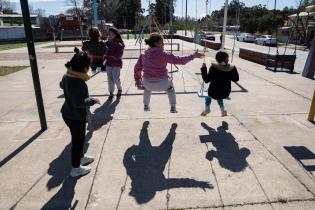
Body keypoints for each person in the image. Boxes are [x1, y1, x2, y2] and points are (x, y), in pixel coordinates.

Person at [134, 33, 204, 113]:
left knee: (147, 89)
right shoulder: (164, 54)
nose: (163, 44)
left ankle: (146, 105)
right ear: (156, 43)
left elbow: (137, 69)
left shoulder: (143, 55)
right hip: (163, 84)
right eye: (162, 42)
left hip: (147, 84)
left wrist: (137, 80)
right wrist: (193, 56)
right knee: (171, 89)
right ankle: (173, 107)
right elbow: (180, 60)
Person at [60, 47, 101, 178]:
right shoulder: (78, 82)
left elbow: (61, 84)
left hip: (67, 113)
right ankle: (76, 169)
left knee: (78, 139)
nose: (89, 69)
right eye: (88, 66)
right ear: (83, 68)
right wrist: (92, 100)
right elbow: (79, 102)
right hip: (75, 116)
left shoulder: (67, 76)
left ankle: (81, 158)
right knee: (77, 142)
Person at [200, 51, 239, 117]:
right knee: (219, 94)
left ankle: (207, 109)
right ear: (224, 59)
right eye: (227, 58)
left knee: (208, 95)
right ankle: (222, 110)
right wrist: (232, 71)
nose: (229, 60)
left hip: (213, 93)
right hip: (225, 93)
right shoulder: (231, 68)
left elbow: (206, 80)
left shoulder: (213, 68)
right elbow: (236, 79)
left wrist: (204, 69)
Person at [105, 27, 125, 100]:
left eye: (112, 34)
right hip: (108, 64)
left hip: (116, 64)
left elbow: (120, 54)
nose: (110, 36)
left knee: (115, 78)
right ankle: (111, 92)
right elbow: (104, 51)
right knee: (110, 79)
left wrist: (114, 56)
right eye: (109, 34)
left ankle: (119, 89)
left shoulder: (119, 43)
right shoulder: (106, 43)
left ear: (115, 35)